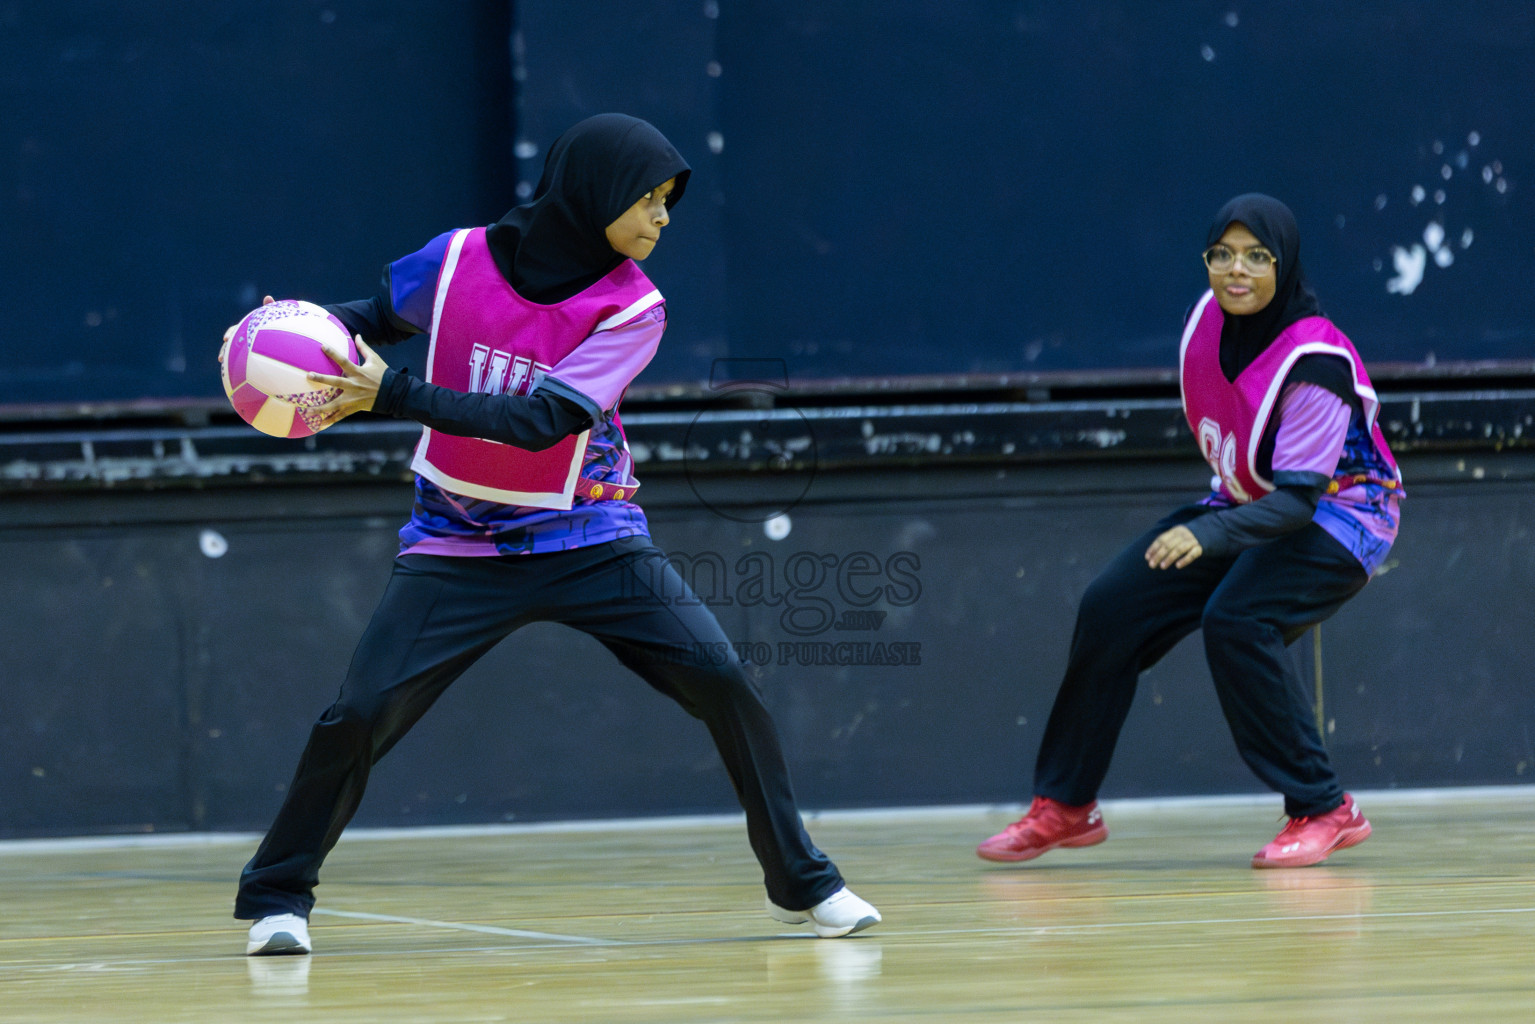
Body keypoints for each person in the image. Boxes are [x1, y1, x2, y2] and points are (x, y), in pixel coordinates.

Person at [229, 114, 879, 955]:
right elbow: (368, 319)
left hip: (591, 537)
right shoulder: (458, 259)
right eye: (647, 199)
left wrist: (392, 396)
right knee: (357, 714)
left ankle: (806, 883)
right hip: (457, 541)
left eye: (667, 202)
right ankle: (278, 898)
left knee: (722, 678)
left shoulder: (632, 307)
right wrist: (281, 339)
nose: (661, 219)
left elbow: (541, 421)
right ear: (595, 194)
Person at [977, 193, 1402, 870]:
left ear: (1282, 263)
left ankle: (1323, 806)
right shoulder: (1205, 319)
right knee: (1112, 606)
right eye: (1222, 255)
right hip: (1245, 502)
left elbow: (1297, 503)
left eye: (1256, 257)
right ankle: (1066, 805)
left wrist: (1210, 536)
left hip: (1341, 513)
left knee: (1237, 618)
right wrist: (1219, 522)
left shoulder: (1314, 362)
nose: (1237, 271)